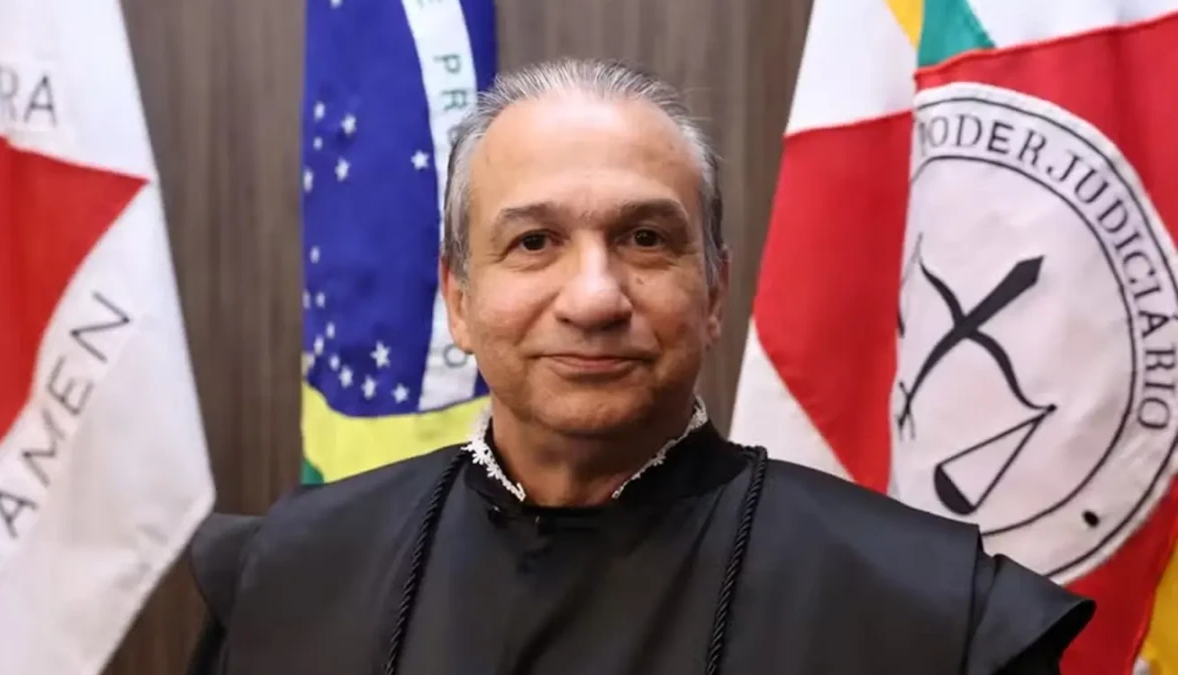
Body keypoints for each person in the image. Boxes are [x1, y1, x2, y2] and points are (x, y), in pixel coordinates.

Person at [185, 58, 1093, 675]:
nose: (594, 297)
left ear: (714, 292)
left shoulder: (932, 615)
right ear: (458, 297)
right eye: (534, 241)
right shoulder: (289, 576)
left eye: (646, 238)